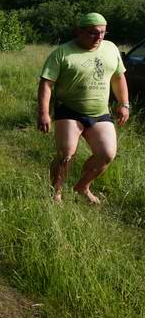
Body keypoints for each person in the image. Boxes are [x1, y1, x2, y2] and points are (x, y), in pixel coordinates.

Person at [38, 12, 130, 204]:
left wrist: (123, 104)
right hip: (69, 110)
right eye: (93, 33)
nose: (99, 37)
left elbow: (118, 77)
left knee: (106, 154)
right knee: (66, 154)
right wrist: (44, 113)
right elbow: (46, 83)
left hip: (100, 113)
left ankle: (82, 186)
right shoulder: (62, 53)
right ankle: (56, 193)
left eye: (103, 33)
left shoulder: (111, 49)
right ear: (79, 32)